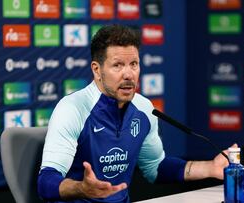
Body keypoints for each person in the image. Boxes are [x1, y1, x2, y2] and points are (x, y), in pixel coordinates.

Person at [38, 24, 233, 203]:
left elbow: (155, 168)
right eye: (118, 65)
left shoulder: (144, 109)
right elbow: (46, 182)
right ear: (97, 70)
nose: (129, 74)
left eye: (134, 64)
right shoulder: (72, 109)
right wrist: (82, 188)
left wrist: (210, 168)